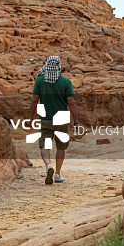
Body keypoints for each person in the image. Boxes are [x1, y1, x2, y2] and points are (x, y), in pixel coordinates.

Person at [28, 56, 80, 185]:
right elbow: (72, 103)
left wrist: (31, 118)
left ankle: (48, 165)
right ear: (59, 67)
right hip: (62, 119)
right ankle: (57, 174)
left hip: (45, 119)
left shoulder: (40, 80)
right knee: (61, 147)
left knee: (44, 146)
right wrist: (76, 121)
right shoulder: (66, 82)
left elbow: (34, 100)